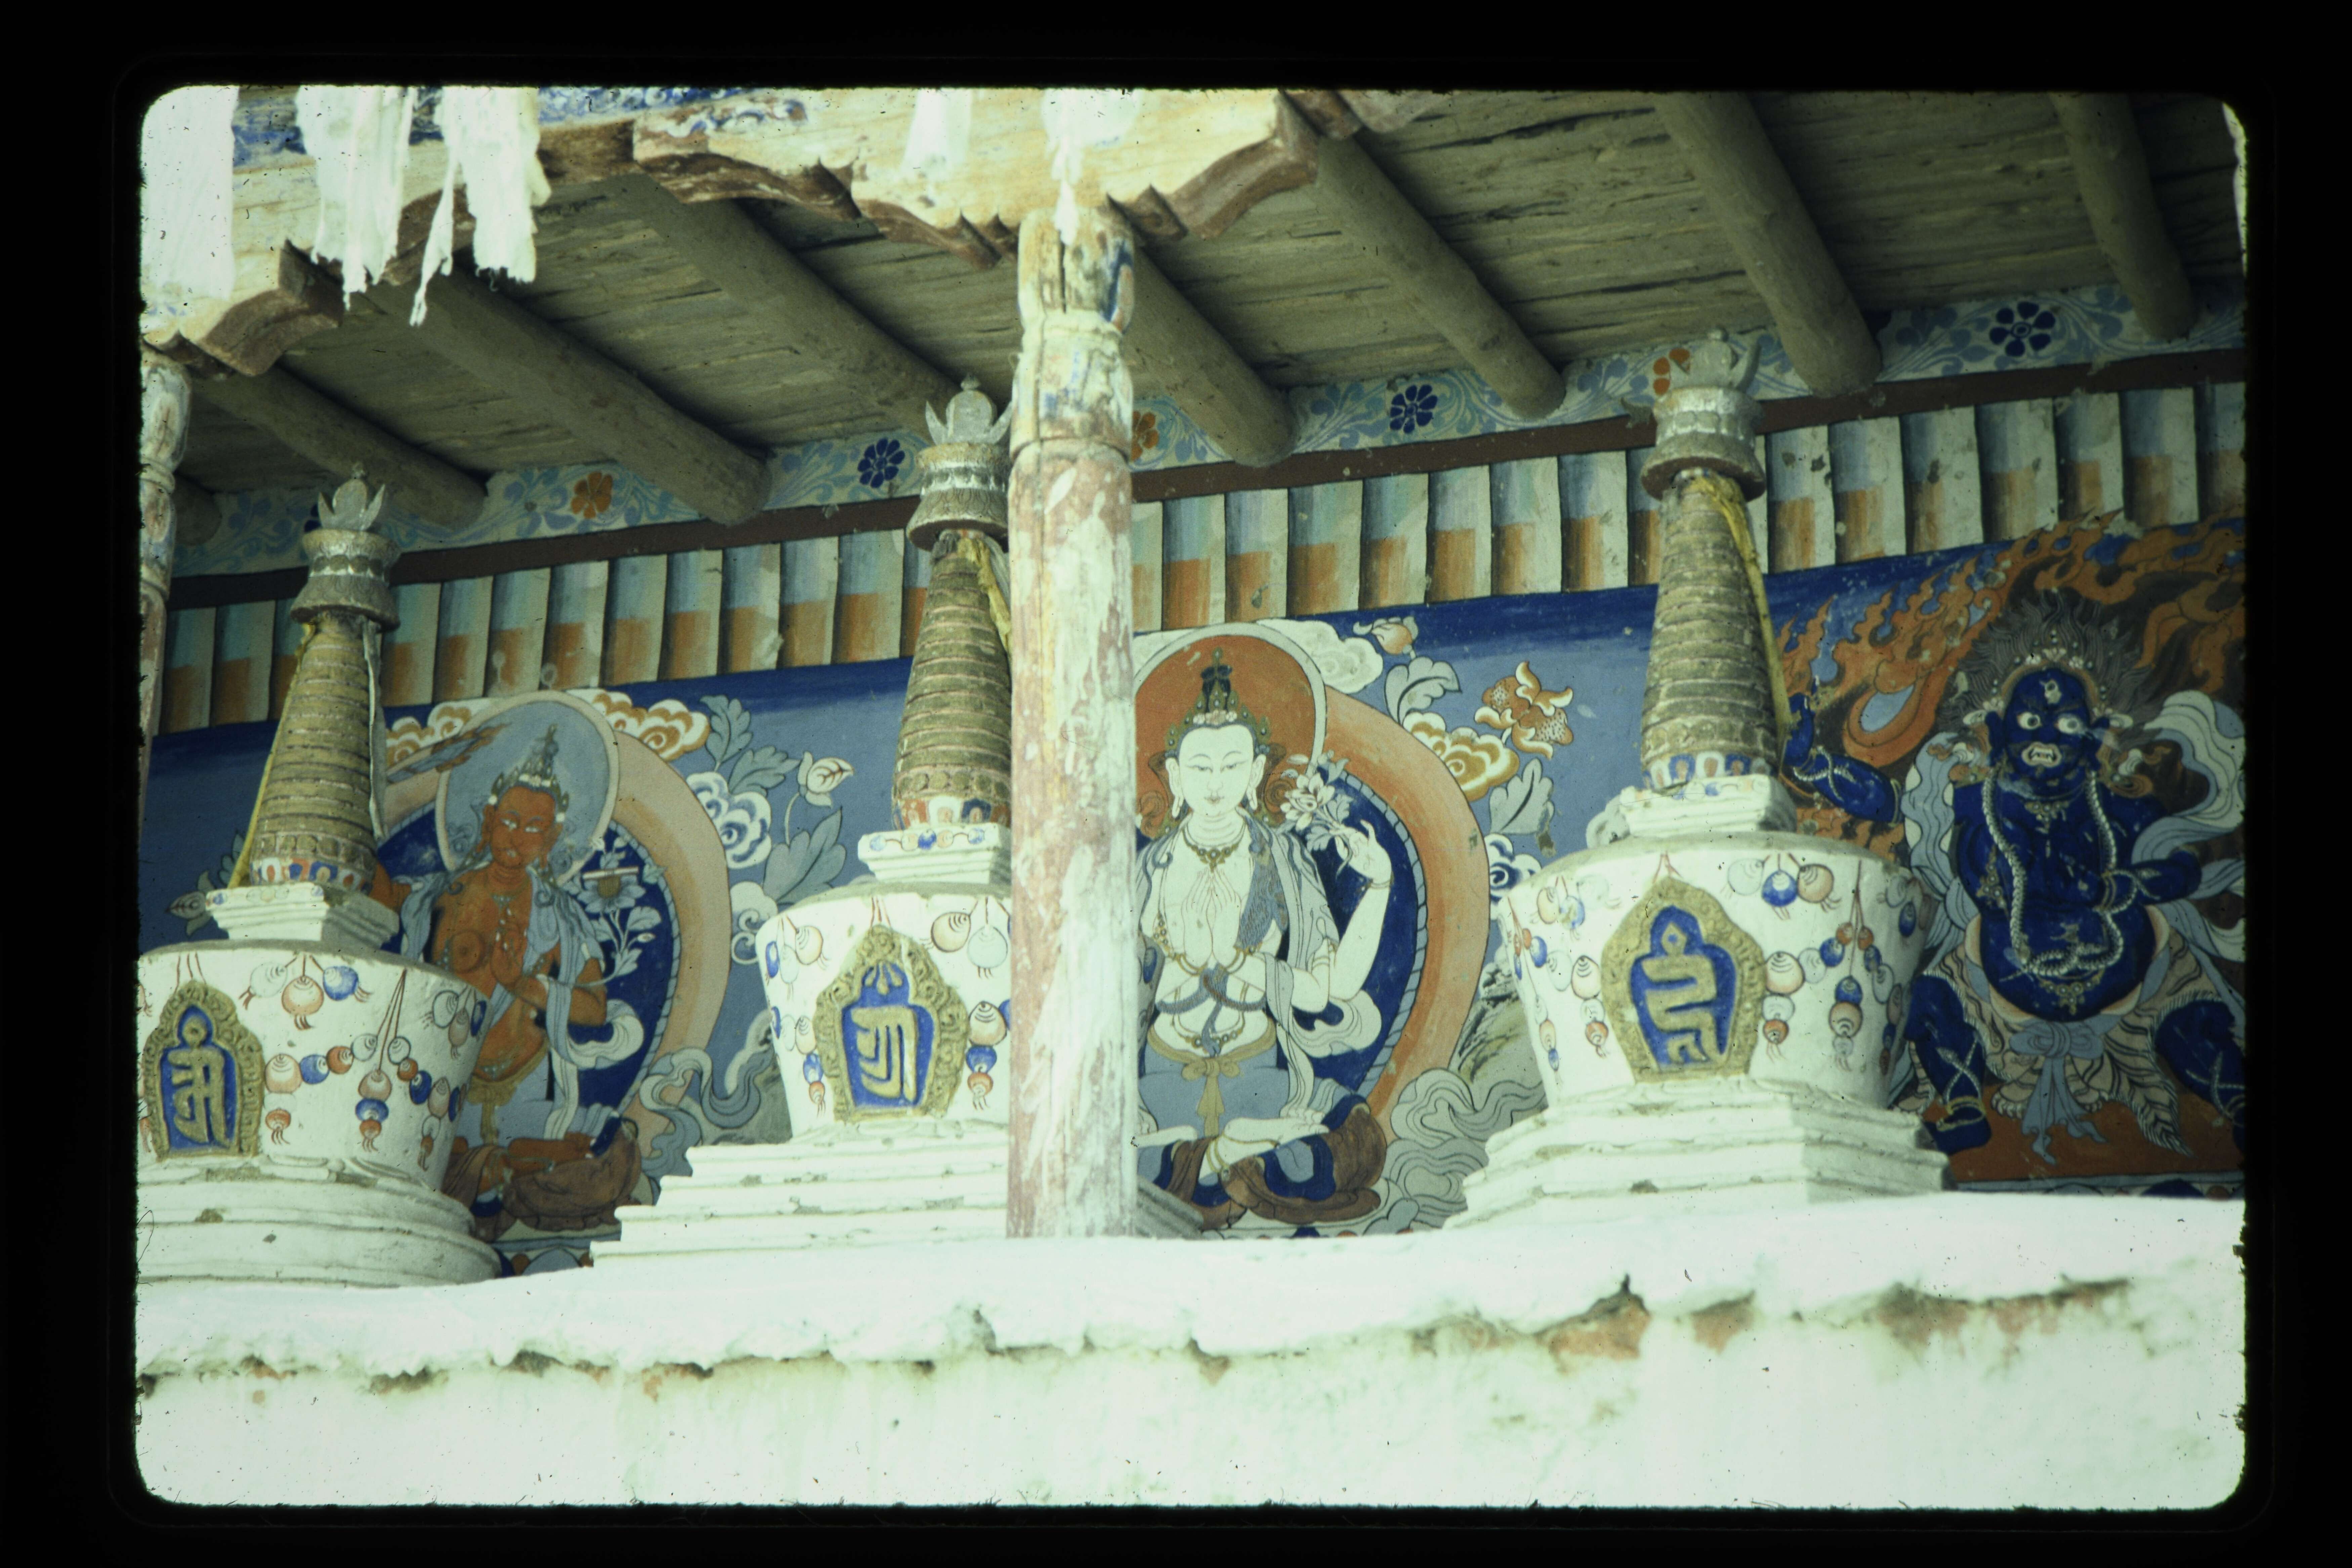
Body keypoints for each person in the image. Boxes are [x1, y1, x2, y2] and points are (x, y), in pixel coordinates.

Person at [1134, 655, 1391, 1229]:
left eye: (1232, 766)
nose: (1216, 783)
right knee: (1100, 1157)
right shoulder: (1150, 870)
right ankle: (1233, 1152)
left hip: (1264, 1074)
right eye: (1200, 768)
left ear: (1255, 773)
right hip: (1160, 1078)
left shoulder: (1283, 859)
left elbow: (1333, 987)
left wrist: (1379, 885)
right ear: (1175, 776)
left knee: (1361, 1142)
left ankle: (1214, 1156)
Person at [393, 725, 644, 1239]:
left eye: (534, 828)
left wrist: (526, 986)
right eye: (508, 821)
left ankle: (505, 1165)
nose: (516, 836)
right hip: (450, 1091)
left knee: (612, 1149)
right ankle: (494, 1167)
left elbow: (595, 1010)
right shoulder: (441, 900)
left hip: (533, 1092)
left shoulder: (561, 915)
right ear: (488, 822)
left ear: (550, 841)